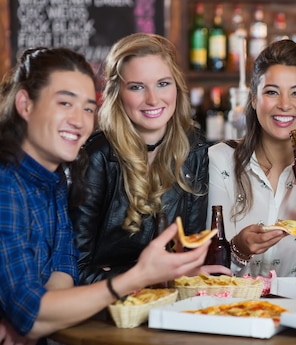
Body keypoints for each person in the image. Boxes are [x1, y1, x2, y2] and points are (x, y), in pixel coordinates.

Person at [0, 48, 208, 343]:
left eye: (87, 108)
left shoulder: (54, 179)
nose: (79, 120)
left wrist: (40, 317)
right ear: (25, 104)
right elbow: (31, 314)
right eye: (64, 103)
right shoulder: (7, 185)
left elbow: (63, 273)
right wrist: (138, 276)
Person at [70, 33, 229, 285]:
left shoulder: (194, 149)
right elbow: (73, 270)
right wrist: (145, 277)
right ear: (117, 93)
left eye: (163, 84)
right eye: (137, 87)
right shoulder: (96, 158)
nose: (153, 99)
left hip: (169, 304)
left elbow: (189, 252)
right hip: (108, 309)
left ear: (177, 85)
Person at [208, 39, 296, 277]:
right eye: (272, 92)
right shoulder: (220, 159)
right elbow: (211, 269)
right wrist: (239, 249)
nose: (285, 105)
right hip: (236, 309)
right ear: (254, 99)